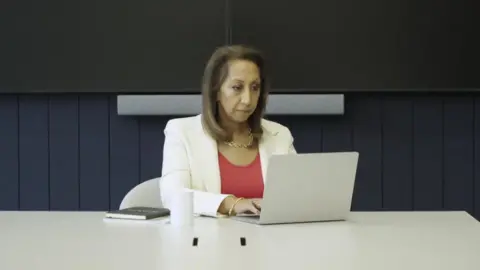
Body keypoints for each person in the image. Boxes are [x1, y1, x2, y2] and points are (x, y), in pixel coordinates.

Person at [160, 45, 297, 218]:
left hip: (271, 241)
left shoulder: (280, 135)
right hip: (205, 241)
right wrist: (233, 203)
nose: (248, 100)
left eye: (255, 87)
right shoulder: (182, 132)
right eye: (237, 87)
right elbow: (173, 195)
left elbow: (296, 196)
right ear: (216, 91)